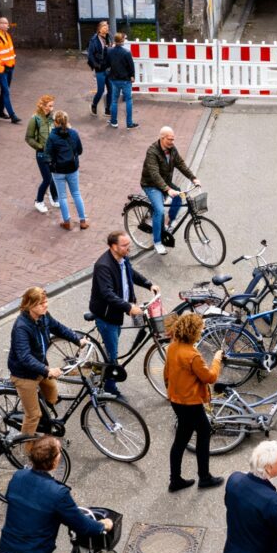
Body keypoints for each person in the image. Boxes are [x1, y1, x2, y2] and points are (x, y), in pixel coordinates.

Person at [9, 287, 87, 437]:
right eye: (41, 303)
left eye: (45, 301)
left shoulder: (43, 316)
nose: (45, 305)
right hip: (25, 375)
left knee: (52, 395)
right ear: (30, 305)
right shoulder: (21, 327)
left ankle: (43, 419)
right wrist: (47, 370)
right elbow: (24, 357)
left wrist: (77, 339)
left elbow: (58, 328)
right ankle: (28, 449)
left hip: (40, 367)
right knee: (33, 416)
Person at [89, 231, 158, 396]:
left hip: (116, 312)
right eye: (125, 245)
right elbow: (107, 294)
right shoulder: (103, 266)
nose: (129, 248)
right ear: (114, 247)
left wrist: (148, 284)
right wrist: (128, 307)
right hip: (107, 316)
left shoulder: (123, 258)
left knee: (111, 346)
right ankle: (109, 389)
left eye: (128, 244)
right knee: (113, 355)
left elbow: (130, 274)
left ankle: (101, 367)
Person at [163, 313, 224, 492]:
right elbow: (210, 377)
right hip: (191, 403)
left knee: (181, 439)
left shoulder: (172, 347)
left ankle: (175, 480)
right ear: (194, 332)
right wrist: (217, 359)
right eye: (200, 330)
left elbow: (166, 374)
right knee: (203, 433)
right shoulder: (192, 355)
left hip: (177, 400)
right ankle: (204, 477)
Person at [140, 126, 200, 255]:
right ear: (162, 138)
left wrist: (193, 178)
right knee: (160, 211)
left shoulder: (172, 149)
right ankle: (157, 242)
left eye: (173, 139)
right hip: (151, 184)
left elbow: (181, 164)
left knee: (179, 196)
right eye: (169, 139)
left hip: (165, 182)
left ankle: (168, 223)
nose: (172, 142)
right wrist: (167, 189)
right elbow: (154, 174)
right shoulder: (152, 152)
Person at [45, 110, 87, 230]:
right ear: (67, 121)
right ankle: (83, 221)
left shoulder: (52, 136)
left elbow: (48, 154)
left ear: (55, 122)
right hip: (72, 169)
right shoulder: (73, 133)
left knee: (62, 197)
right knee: (76, 193)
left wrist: (51, 165)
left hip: (58, 171)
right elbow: (80, 150)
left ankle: (67, 222)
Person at [25, 94, 60, 214]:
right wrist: (40, 147)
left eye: (52, 106)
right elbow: (28, 138)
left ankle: (54, 198)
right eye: (50, 106)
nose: (52, 108)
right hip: (42, 155)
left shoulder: (52, 118)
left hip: (53, 153)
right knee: (47, 179)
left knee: (54, 176)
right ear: (44, 106)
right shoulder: (35, 119)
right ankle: (38, 201)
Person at [107, 32, 137, 130]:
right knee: (128, 100)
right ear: (122, 40)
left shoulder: (109, 51)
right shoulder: (127, 52)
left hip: (114, 79)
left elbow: (108, 64)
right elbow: (131, 66)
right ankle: (129, 123)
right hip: (125, 80)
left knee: (114, 101)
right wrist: (132, 76)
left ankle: (114, 121)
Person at [86, 19, 112, 117]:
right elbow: (90, 55)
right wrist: (96, 65)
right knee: (100, 90)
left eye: (107, 27)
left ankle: (107, 109)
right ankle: (94, 105)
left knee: (111, 90)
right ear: (99, 29)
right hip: (100, 69)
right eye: (104, 27)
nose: (106, 29)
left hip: (109, 68)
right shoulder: (94, 40)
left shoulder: (109, 38)